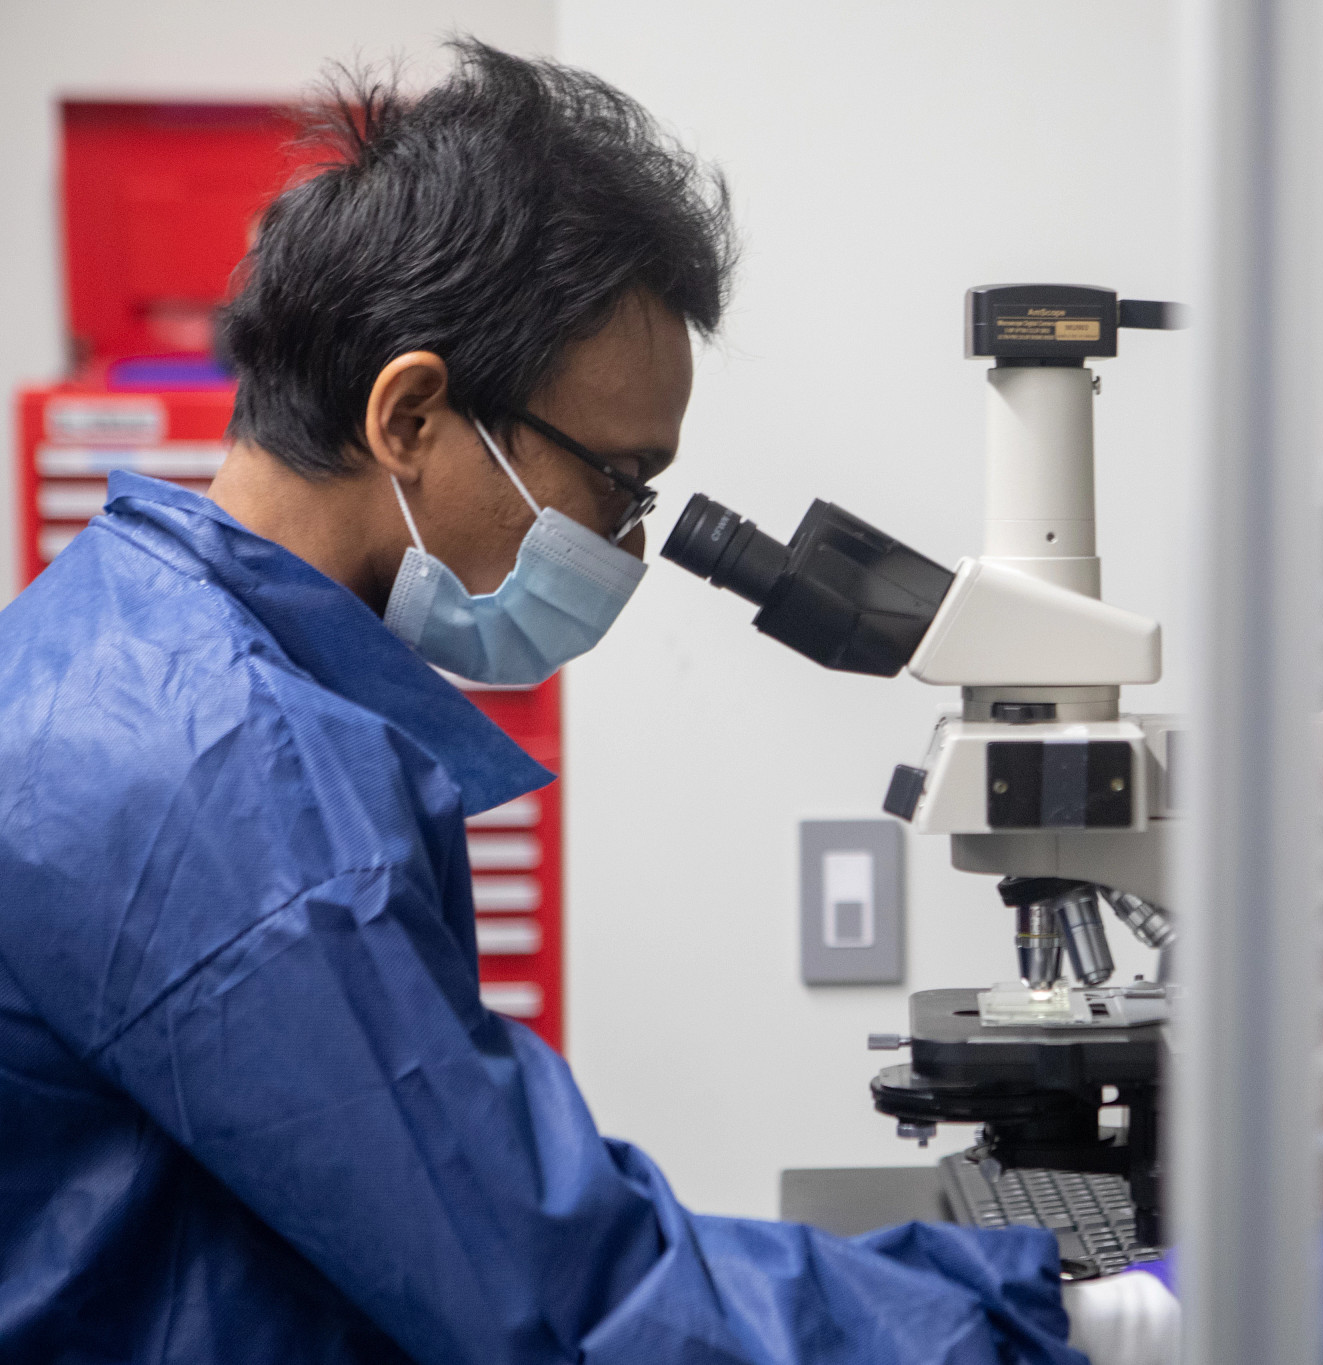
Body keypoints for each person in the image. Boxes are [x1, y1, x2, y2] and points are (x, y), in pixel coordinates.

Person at [0, 42, 1171, 1365]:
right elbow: (560, 1298)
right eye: (620, 480)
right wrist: (1081, 1319)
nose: (626, 541)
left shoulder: (128, 644)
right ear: (411, 414)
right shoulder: (230, 779)